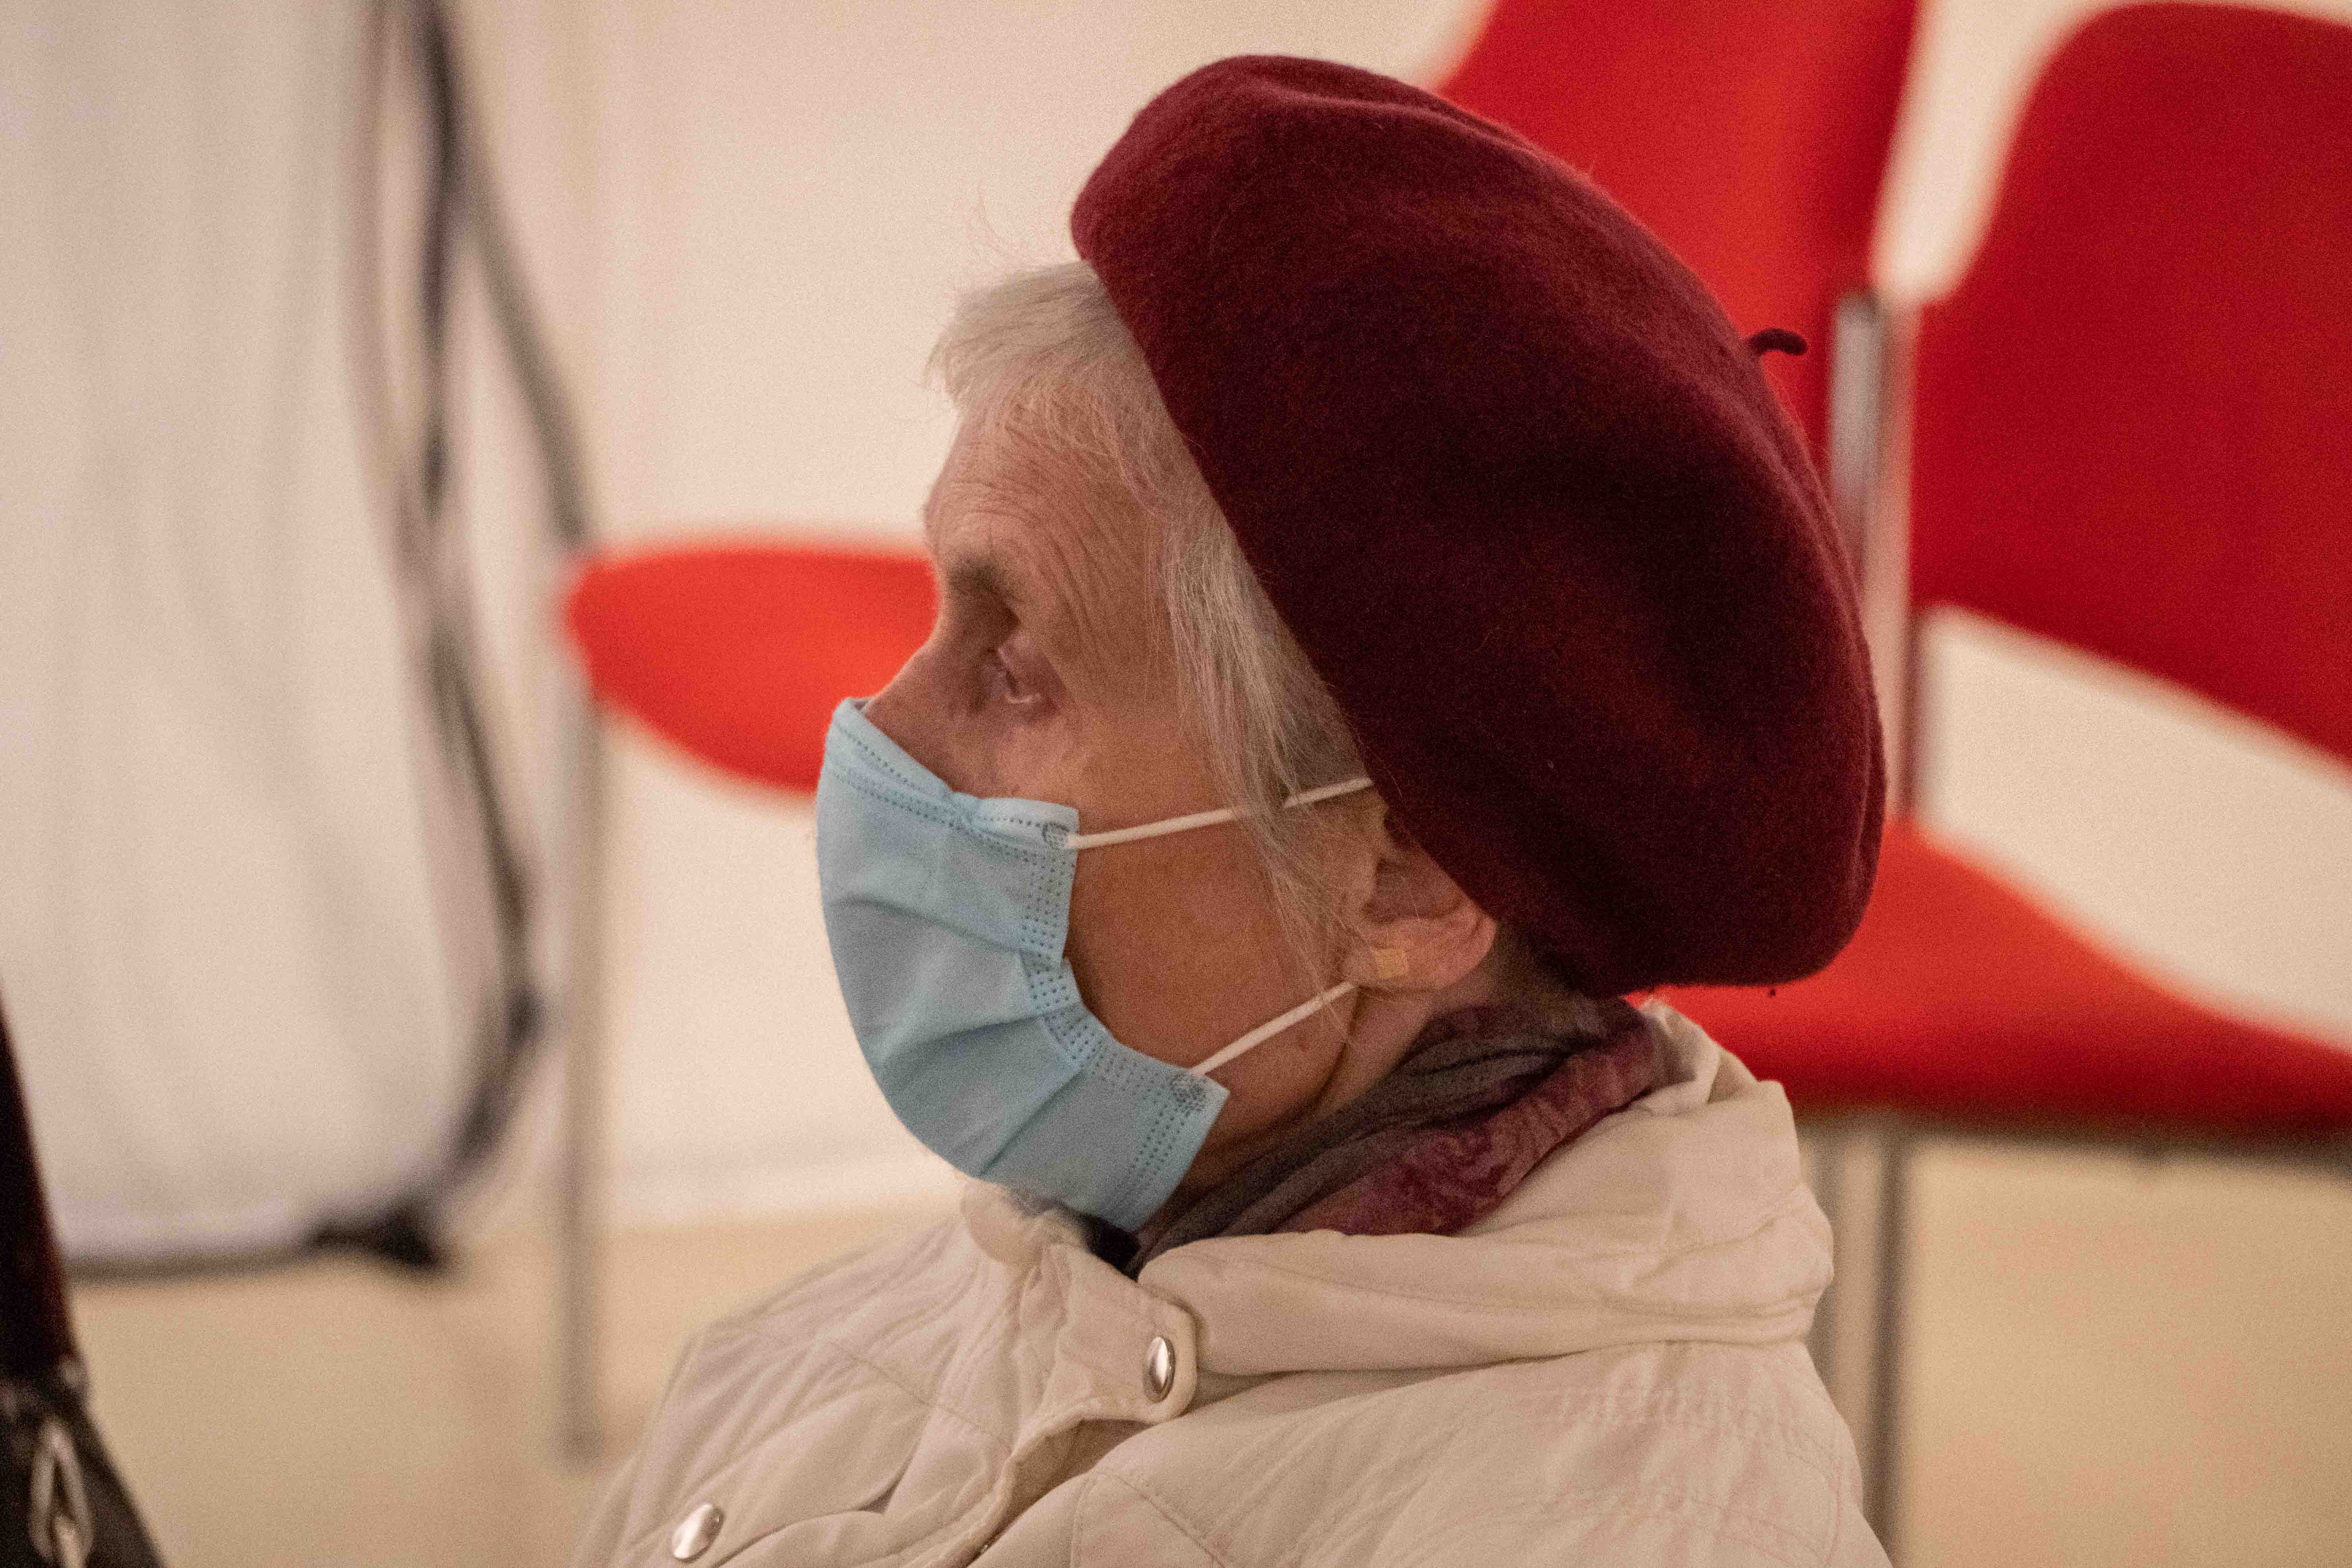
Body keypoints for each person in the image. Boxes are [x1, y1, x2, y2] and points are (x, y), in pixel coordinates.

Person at [574, 55, 1888, 1568]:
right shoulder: (888, 1327)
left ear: (1399, 876)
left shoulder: (1624, 1533)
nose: (882, 734)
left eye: (1018, 669)